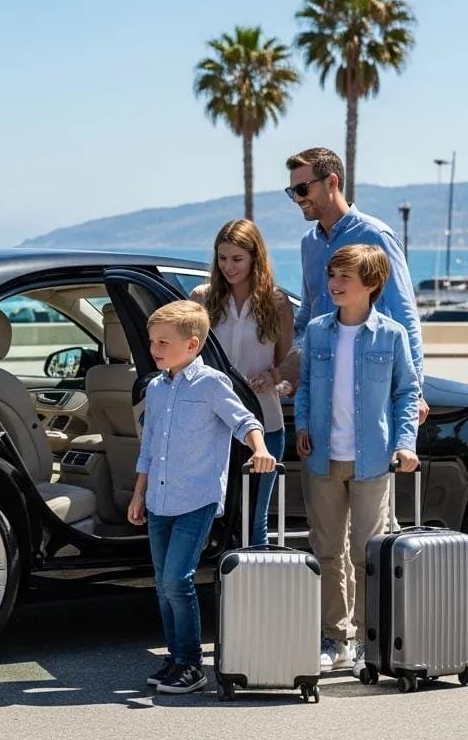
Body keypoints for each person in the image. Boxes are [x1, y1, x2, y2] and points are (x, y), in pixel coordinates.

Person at [127, 300, 274, 694]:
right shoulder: (156, 388)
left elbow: (245, 421)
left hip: (197, 498)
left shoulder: (212, 384)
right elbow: (149, 447)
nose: (154, 349)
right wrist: (139, 494)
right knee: (163, 584)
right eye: (152, 341)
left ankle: (192, 665)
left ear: (192, 345)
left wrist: (260, 448)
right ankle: (176, 658)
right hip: (159, 499)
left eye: (163, 342)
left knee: (178, 579)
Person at [294, 244, 419, 676]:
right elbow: (305, 386)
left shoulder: (392, 335)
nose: (334, 283)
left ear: (371, 284)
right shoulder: (316, 331)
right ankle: (336, 638)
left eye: (344, 277)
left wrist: (405, 443)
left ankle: (369, 639)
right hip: (322, 460)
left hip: (373, 461)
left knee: (369, 554)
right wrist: (302, 425)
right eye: (332, 275)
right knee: (328, 552)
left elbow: (407, 393)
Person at [285, 146, 427, 424]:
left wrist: (415, 391)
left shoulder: (376, 236)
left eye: (302, 189)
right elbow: (307, 315)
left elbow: (405, 316)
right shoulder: (309, 244)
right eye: (292, 192)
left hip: (372, 389)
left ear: (332, 182)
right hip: (323, 389)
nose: (297, 199)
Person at [192, 219, 294, 546]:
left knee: (253, 519)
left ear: (254, 257)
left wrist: (271, 377)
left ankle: (256, 577)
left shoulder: (277, 303)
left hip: (264, 424)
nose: (229, 267)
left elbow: (286, 363)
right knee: (210, 517)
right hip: (212, 426)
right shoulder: (202, 298)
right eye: (222, 258)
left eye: (237, 259)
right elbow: (188, 356)